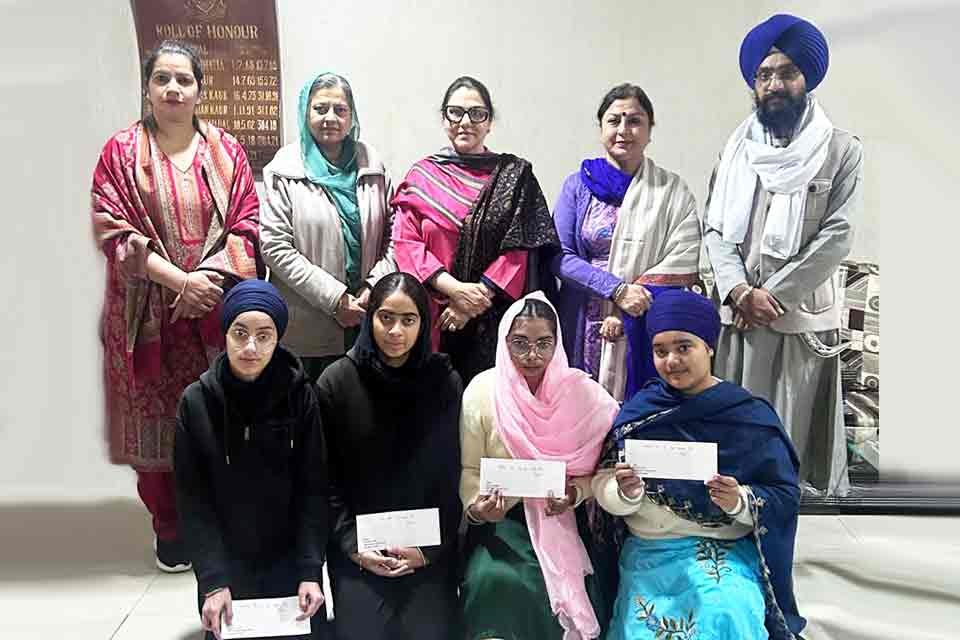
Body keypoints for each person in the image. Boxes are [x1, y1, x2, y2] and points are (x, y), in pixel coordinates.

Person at [90, 39, 261, 572]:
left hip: (213, 311)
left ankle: (220, 521)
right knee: (156, 423)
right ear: (147, 88)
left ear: (199, 90)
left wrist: (203, 282)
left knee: (220, 418)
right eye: (161, 78)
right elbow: (112, 231)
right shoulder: (120, 152)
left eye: (183, 79)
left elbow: (247, 224)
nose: (172, 89)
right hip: (147, 318)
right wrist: (179, 282)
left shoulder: (226, 151)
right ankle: (170, 528)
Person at [703, 14, 863, 496]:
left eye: (787, 72)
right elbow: (715, 228)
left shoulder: (840, 150)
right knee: (736, 436)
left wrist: (771, 295)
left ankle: (788, 521)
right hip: (740, 317)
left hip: (798, 319)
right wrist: (738, 289)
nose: (774, 84)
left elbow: (838, 235)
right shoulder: (735, 152)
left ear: (806, 78)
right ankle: (734, 519)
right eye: (764, 74)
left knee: (789, 445)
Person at [593, 289, 804, 640]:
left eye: (683, 347)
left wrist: (740, 500)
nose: (672, 360)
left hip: (724, 547)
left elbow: (784, 495)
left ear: (708, 347)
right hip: (650, 549)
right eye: (660, 351)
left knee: (725, 611)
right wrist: (624, 493)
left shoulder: (749, 416)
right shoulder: (639, 414)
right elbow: (602, 484)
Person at [174, 280, 329, 640]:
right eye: (240, 333)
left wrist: (310, 571)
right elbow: (193, 501)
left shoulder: (301, 397)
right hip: (226, 561)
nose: (250, 347)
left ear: (278, 339)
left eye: (264, 336)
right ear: (225, 334)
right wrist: (213, 581)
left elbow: (313, 489)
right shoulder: (196, 403)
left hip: (288, 559)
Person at [460, 292, 620, 639]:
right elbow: (470, 471)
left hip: (562, 517)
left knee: (584, 589)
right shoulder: (483, 391)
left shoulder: (583, 394)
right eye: (520, 343)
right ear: (505, 342)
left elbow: (602, 473)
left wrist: (574, 493)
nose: (532, 355)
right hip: (503, 519)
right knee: (495, 580)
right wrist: (478, 508)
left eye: (544, 344)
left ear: (557, 343)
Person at [315, 272, 462, 639]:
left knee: (430, 632)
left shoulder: (443, 382)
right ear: (370, 319)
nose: (396, 331)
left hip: (427, 544)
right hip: (359, 546)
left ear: (423, 324)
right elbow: (325, 481)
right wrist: (353, 547)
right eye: (386, 318)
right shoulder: (337, 383)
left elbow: (451, 477)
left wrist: (427, 551)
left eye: (408, 320)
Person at [392, 76, 560, 385]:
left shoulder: (514, 177)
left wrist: (472, 301)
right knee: (434, 400)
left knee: (486, 403)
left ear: (489, 122)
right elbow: (406, 243)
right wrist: (454, 290)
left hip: (492, 316)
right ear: (444, 118)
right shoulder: (422, 176)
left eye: (477, 113)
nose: (465, 122)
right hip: (433, 314)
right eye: (455, 112)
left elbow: (520, 247)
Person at [553, 83, 701, 402]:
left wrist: (634, 302)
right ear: (601, 128)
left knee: (640, 409)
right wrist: (617, 290)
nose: (623, 130)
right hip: (585, 320)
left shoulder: (671, 191)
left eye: (634, 121)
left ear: (649, 130)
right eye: (614, 120)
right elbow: (559, 256)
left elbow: (684, 256)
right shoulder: (578, 186)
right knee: (582, 408)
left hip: (646, 317)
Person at [261, 72, 395, 380]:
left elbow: (393, 236)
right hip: (308, 324)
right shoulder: (284, 169)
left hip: (367, 313)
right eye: (320, 109)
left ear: (351, 115)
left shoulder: (372, 165)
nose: (330, 118)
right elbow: (275, 247)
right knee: (310, 403)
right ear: (305, 112)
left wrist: (372, 287)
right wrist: (335, 299)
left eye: (340, 109)